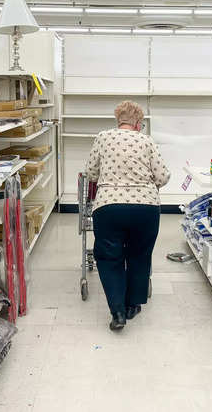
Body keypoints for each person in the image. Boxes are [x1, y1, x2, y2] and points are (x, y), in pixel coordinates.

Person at [85, 100, 171, 331]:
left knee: (109, 257)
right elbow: (162, 177)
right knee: (139, 255)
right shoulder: (147, 141)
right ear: (138, 123)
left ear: (118, 120)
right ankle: (133, 304)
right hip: (145, 208)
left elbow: (91, 172)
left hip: (109, 206)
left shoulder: (103, 137)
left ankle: (118, 312)